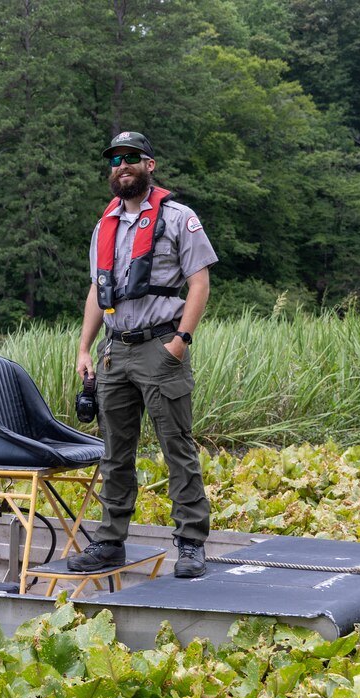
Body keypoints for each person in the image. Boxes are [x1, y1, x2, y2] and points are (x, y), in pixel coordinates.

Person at [67, 131, 217, 578]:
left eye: (132, 157)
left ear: (149, 165)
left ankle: (191, 543)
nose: (123, 165)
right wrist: (84, 347)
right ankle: (110, 542)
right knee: (114, 452)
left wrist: (181, 341)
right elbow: (97, 289)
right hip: (115, 351)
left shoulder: (178, 217)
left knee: (177, 447)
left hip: (161, 346)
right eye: (115, 159)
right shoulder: (105, 225)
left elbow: (199, 283)